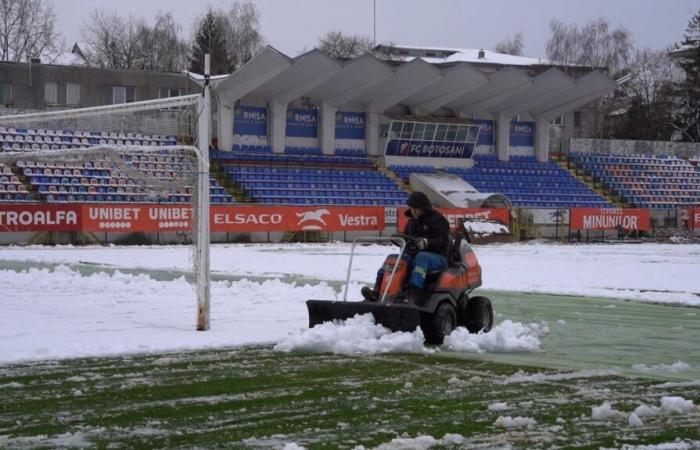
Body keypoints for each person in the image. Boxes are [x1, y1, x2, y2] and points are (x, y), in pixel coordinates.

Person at [362, 191, 451, 303]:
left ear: (424, 208)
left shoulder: (438, 220)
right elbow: (406, 237)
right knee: (392, 258)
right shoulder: (412, 222)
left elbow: (443, 241)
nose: (413, 211)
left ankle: (413, 294)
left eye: (415, 208)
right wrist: (401, 240)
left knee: (422, 257)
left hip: (438, 257)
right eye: (411, 208)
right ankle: (377, 290)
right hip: (415, 255)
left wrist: (427, 242)